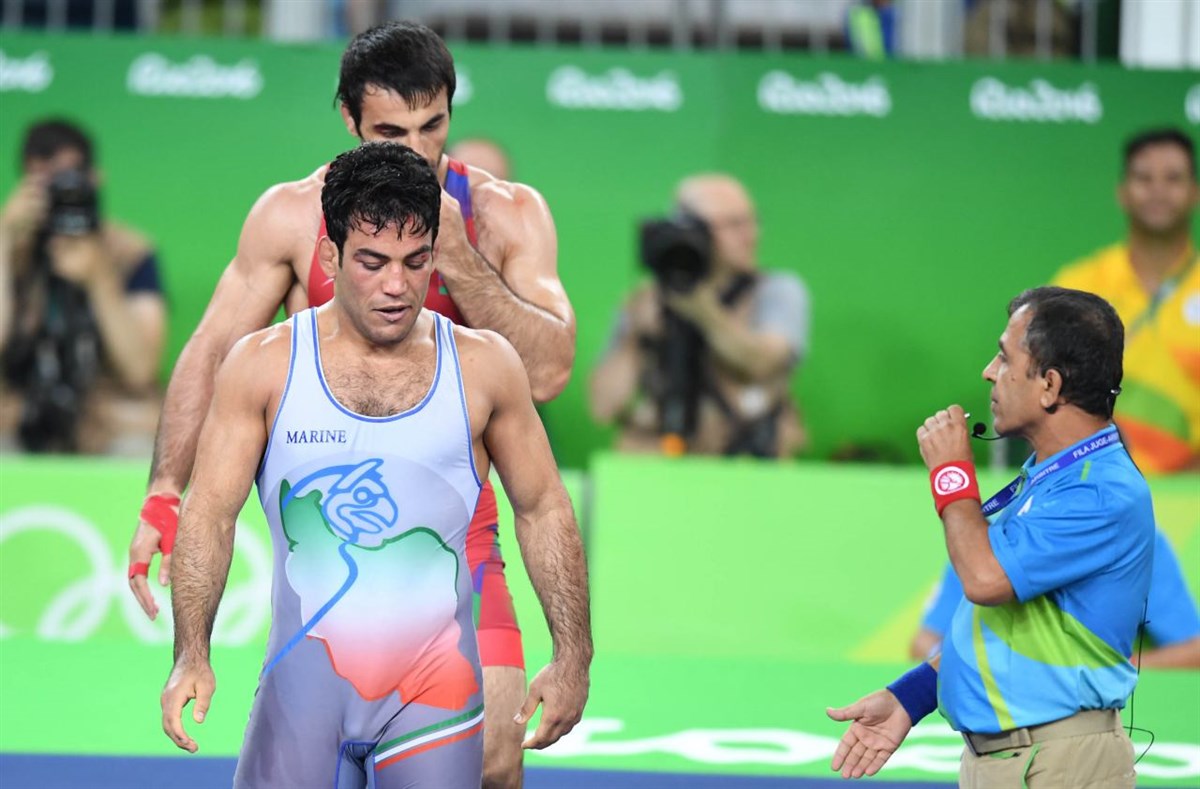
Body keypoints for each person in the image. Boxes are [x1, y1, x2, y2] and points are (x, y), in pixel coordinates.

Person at [128, 22, 573, 788]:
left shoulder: (504, 214)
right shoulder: (293, 216)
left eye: (433, 126)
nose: (418, 150)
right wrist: (165, 491)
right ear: (349, 120)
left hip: (455, 524)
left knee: (495, 759)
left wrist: (459, 259)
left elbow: (552, 369)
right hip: (332, 520)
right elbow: (211, 351)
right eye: (392, 132)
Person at [828, 287, 1154, 787]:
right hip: (1011, 758)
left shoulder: (1100, 490)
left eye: (1004, 358)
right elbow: (1011, 632)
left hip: (1058, 764)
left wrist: (952, 473)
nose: (988, 371)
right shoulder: (1050, 478)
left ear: (1049, 385)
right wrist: (909, 698)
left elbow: (984, 580)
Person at [588, 173, 808, 458]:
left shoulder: (776, 290)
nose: (751, 235)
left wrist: (703, 312)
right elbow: (603, 408)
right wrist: (636, 336)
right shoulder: (648, 301)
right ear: (693, 230)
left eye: (753, 221)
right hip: (656, 461)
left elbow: (763, 363)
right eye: (733, 224)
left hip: (746, 461)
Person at [0, 118, 165, 455]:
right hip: (17, 410)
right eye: (44, 183)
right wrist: (3, 237)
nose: (59, 192)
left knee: (143, 443)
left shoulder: (130, 251)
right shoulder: (12, 249)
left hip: (103, 414)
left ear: (94, 179)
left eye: (68, 179)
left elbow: (139, 370)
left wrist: (99, 279)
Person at [1051, 128, 1199, 473]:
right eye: (1144, 178)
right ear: (1123, 193)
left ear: (1194, 192)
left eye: (1173, 178)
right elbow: (1046, 398)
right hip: (1094, 484)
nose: (1158, 190)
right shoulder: (1077, 288)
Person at [911, 529, 1200, 667]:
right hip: (998, 709)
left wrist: (1105, 671)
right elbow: (923, 643)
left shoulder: (1137, 541)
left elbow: (1192, 650)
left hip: (1096, 710)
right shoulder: (988, 542)